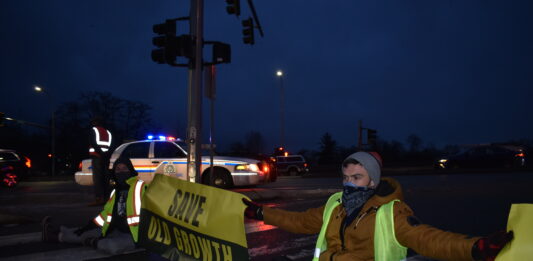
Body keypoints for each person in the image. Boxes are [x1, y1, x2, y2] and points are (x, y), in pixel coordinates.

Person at [243, 151, 513, 261]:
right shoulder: (336, 205)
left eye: (357, 178)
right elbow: (300, 221)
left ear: (372, 181)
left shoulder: (391, 211)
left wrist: (475, 248)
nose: (349, 184)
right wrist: (260, 212)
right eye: (346, 178)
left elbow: (427, 238)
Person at [42, 157, 147, 255]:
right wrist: (89, 226)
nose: (121, 172)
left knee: (112, 246)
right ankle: (56, 235)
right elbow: (106, 215)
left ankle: (93, 242)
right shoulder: (115, 191)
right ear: (114, 172)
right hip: (114, 230)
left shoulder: (141, 187)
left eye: (124, 168)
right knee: (84, 232)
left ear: (131, 170)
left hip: (134, 236)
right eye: (118, 169)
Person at [88, 117, 113, 206]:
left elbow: (93, 143)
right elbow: (110, 146)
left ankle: (98, 199)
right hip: (106, 158)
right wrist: (105, 155)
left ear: (95, 122)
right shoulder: (108, 132)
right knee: (106, 179)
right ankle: (107, 198)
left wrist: (100, 153)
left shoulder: (94, 130)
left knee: (97, 178)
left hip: (97, 156)